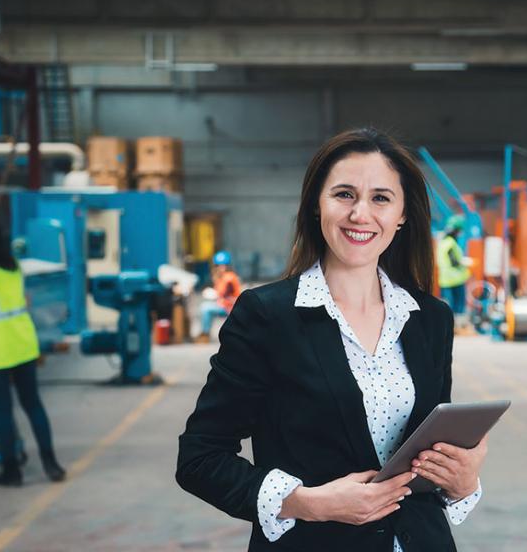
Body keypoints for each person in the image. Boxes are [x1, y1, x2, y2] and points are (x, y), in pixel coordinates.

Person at [177, 128, 488, 551]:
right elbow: (200, 458)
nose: (361, 214)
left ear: (402, 215)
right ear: (315, 207)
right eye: (344, 194)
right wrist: (308, 503)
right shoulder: (267, 316)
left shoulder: (430, 319)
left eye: (381, 198)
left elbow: (426, 461)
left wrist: (463, 481)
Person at [0, 214, 65, 487]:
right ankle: (51, 463)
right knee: (33, 405)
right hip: (22, 343)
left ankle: (11, 472)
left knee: (2, 411)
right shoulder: (14, 266)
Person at [196, 250, 242, 343]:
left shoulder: (228, 277)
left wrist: (211, 293)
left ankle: (205, 334)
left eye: (224, 265)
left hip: (230, 307)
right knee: (207, 306)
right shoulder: (222, 276)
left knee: (206, 308)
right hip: (225, 305)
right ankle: (206, 331)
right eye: (219, 265)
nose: (222, 268)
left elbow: (220, 293)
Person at [436, 214, 471, 320]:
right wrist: (464, 263)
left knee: (447, 306)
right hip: (455, 280)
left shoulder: (442, 242)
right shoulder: (450, 243)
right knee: (457, 307)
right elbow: (454, 262)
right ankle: (456, 327)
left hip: (445, 280)